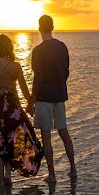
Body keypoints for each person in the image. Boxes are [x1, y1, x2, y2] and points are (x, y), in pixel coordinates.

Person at [0, 34, 44, 188]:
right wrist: (31, 104)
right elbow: (24, 90)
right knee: (11, 141)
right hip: (13, 109)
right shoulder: (15, 67)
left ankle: (1, 181)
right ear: (10, 48)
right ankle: (9, 174)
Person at [27, 14, 77, 184]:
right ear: (53, 28)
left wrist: (31, 101)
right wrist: (59, 84)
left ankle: (52, 175)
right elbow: (66, 71)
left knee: (46, 136)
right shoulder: (62, 47)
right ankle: (73, 169)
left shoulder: (38, 51)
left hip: (44, 97)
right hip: (59, 95)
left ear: (39, 28)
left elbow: (38, 78)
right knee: (64, 132)